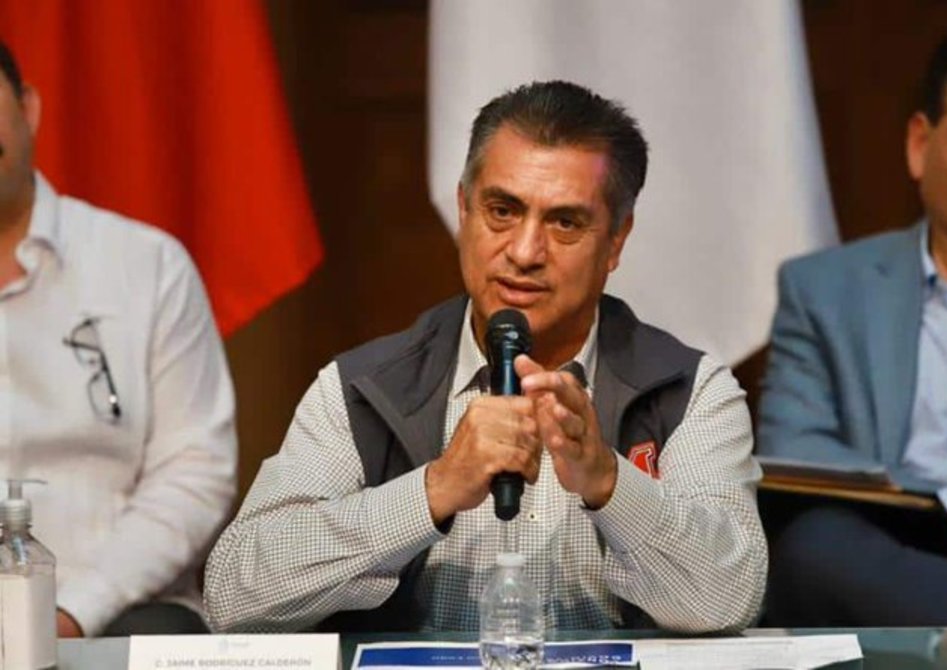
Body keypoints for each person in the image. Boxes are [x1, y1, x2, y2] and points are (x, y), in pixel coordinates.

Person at [204, 80, 766, 633]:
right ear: (464, 209)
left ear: (616, 241)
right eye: (502, 210)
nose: (524, 252)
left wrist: (609, 481)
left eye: (565, 223)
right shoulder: (361, 390)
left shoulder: (689, 391)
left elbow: (729, 599)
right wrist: (434, 489)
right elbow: (234, 594)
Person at [758, 19, 947, 625]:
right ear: (919, 144)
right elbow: (796, 456)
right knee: (815, 545)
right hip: (897, 561)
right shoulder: (826, 290)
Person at [0, 40, 237, 635]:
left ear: (28, 109)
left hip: (117, 613)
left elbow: (195, 473)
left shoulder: (146, 265)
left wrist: (73, 611)